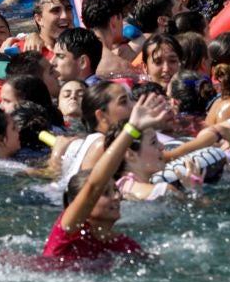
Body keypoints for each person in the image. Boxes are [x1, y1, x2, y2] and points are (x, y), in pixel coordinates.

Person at [42, 89, 172, 265]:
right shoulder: (68, 233)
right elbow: (94, 185)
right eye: (106, 193)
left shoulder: (123, 246)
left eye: (115, 190)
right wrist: (132, 129)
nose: (117, 197)